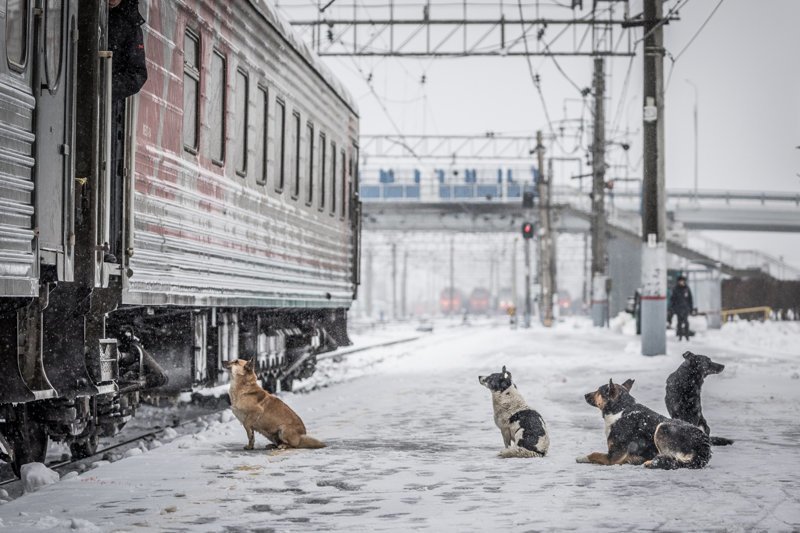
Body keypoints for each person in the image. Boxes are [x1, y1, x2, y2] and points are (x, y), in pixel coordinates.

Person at [106, 0, 148, 262]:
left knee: (107, 172)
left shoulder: (129, 24)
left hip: (107, 114)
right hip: (80, 108)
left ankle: (105, 241)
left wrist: (106, 86)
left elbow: (137, 74)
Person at [669, 275, 695, 341]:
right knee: (679, 322)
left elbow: (690, 299)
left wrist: (691, 308)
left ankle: (686, 335)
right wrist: (672, 308)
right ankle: (680, 336)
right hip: (678, 308)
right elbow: (672, 299)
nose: (682, 282)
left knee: (686, 322)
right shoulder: (675, 289)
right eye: (680, 281)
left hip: (686, 308)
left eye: (683, 281)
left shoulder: (687, 288)